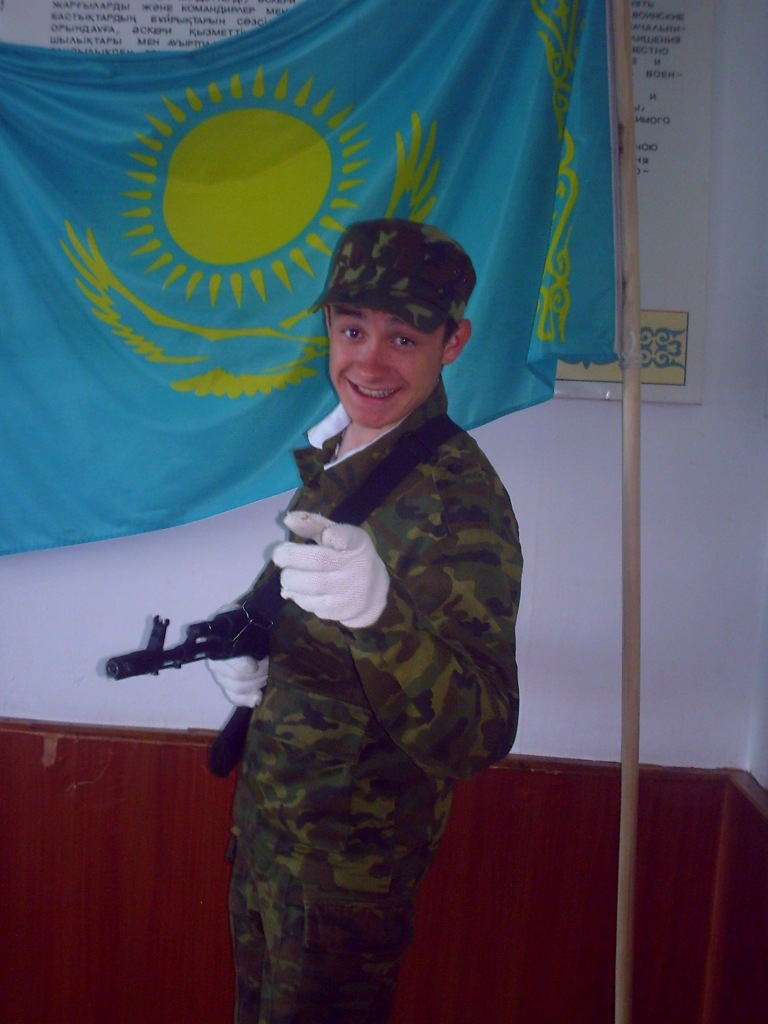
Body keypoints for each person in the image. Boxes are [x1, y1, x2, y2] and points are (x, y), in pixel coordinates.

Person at [207, 218, 523, 1024]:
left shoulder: (460, 500)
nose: (370, 364)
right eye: (352, 331)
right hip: (270, 845)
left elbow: (481, 732)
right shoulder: (343, 456)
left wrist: (381, 618)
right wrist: (256, 652)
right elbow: (306, 619)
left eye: (404, 338)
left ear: (453, 343)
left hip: (345, 887)